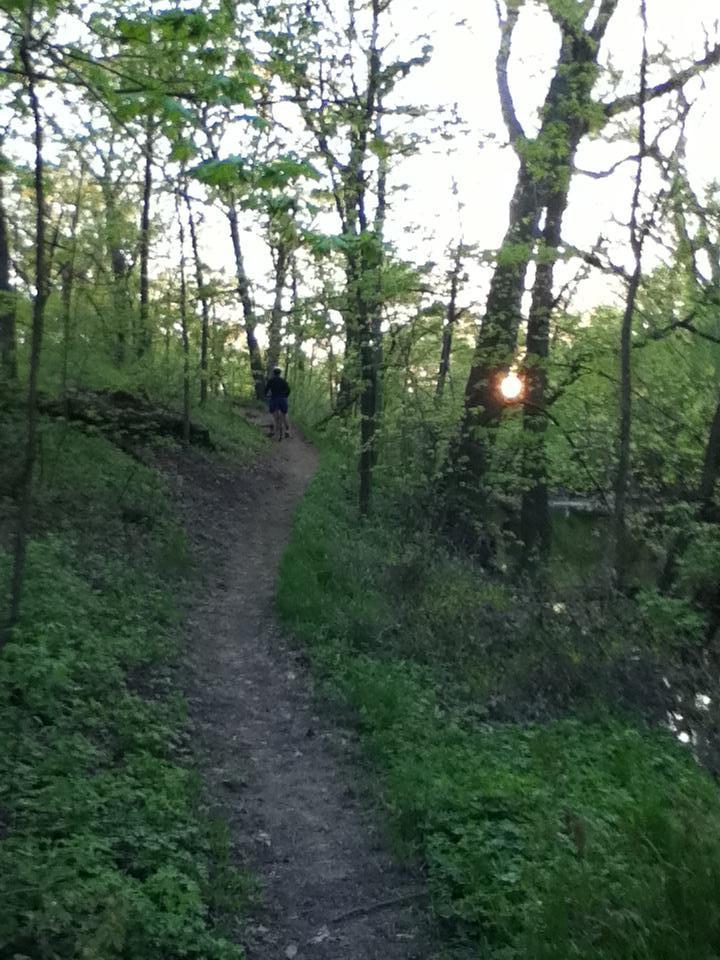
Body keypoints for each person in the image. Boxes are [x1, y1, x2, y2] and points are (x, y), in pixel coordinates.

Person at [265, 367, 291, 440]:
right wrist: (285, 396)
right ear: (280, 373)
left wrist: (266, 395)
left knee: (272, 413)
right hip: (282, 399)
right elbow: (288, 390)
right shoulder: (283, 381)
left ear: (274, 373)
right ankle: (287, 430)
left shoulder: (271, 380)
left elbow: (266, 389)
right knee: (285, 413)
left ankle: (272, 430)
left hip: (274, 398)